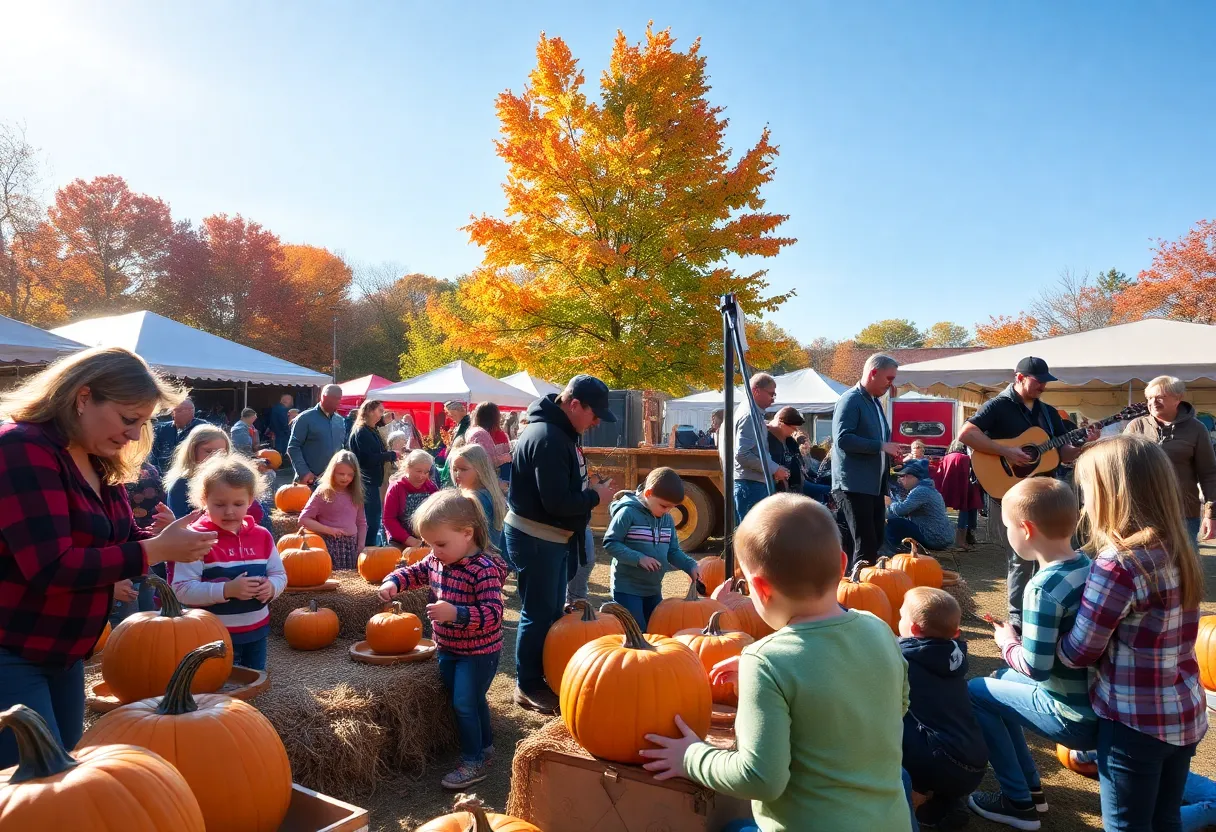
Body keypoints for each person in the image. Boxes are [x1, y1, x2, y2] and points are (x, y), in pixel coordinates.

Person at [0, 347, 217, 769]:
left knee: (65, 782)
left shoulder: (96, 456)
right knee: (32, 792)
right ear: (83, 398)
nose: (135, 435)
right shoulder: (21, 449)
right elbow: (51, 565)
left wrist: (157, 535)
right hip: (12, 649)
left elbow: (110, 539)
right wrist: (152, 550)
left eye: (142, 422)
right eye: (128, 418)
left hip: (62, 653)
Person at [640, 494, 911, 832]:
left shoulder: (766, 661)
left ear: (760, 589)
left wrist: (691, 756)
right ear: (842, 565)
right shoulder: (879, 629)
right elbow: (896, 704)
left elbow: (759, 778)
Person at [1058, 435, 1207, 832]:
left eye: (1087, 492)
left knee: (1126, 826)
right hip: (1183, 712)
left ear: (1111, 495)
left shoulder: (1119, 564)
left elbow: (1080, 652)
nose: (1085, 503)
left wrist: (1025, 642)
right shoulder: (1178, 546)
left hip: (1134, 724)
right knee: (1164, 818)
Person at [966, 476, 1095, 830]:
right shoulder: (1088, 566)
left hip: (1072, 713)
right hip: (1096, 699)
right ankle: (1031, 789)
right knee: (997, 682)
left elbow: (1035, 668)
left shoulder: (1042, 588)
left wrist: (1007, 642)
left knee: (975, 692)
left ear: (1025, 529)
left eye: (1007, 527)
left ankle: (1018, 801)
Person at [378, 490, 506, 790]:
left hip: (478, 652)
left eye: (440, 543)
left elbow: (493, 614)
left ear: (467, 533)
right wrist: (393, 581)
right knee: (470, 700)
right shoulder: (438, 560)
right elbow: (415, 571)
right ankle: (485, 748)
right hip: (448, 647)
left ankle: (473, 761)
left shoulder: (483, 570)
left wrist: (457, 613)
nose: (433, 551)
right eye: (429, 544)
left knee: (464, 703)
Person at [959, 357, 1096, 631]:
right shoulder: (998, 405)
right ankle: (1018, 619)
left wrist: (1084, 443)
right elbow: (966, 434)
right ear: (1019, 377)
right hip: (1012, 491)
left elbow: (1061, 453)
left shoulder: (1048, 412)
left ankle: (1045, 610)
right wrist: (1007, 452)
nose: (1043, 386)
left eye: (1046, 381)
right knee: (1020, 558)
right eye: (1038, 381)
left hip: (1044, 492)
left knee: (1050, 552)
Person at [507, 374, 616, 715]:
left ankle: (543, 676)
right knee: (538, 615)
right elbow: (555, 502)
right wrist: (594, 495)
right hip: (538, 538)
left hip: (549, 538)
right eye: (593, 413)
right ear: (573, 405)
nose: (597, 420)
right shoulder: (549, 437)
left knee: (550, 612)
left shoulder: (558, 433)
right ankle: (528, 685)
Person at [173, 454, 286, 671]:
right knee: (220, 694)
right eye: (220, 504)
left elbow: (279, 574)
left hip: (256, 632)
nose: (229, 511)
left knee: (253, 683)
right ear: (204, 500)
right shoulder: (196, 539)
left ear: (251, 500)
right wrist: (227, 590)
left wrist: (271, 588)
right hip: (211, 638)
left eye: (238, 503)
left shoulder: (262, 536)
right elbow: (182, 589)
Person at [899, 587, 988, 830]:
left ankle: (915, 795)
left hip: (940, 763)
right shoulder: (954, 657)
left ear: (914, 629)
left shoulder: (903, 660)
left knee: (897, 719)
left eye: (901, 617)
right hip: (975, 760)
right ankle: (945, 806)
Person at [603, 468, 703, 631]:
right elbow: (611, 543)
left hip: (653, 589)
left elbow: (673, 551)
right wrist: (639, 558)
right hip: (627, 588)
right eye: (664, 506)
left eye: (671, 508)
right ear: (648, 493)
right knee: (637, 631)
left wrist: (690, 565)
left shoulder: (667, 520)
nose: (667, 511)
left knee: (655, 630)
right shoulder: (627, 513)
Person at [1124, 375, 1216, 547]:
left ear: (1178, 398)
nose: (1153, 402)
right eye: (1150, 398)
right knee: (1144, 566)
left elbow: (1209, 473)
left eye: (1160, 397)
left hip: (1183, 514)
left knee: (1183, 567)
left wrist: (1211, 514)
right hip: (1142, 513)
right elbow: (1121, 467)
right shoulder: (1136, 426)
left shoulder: (1196, 429)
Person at [832, 353, 904, 569]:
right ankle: (857, 594)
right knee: (865, 544)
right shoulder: (850, 400)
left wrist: (890, 452)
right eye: (889, 379)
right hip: (853, 485)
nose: (891, 384)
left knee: (873, 540)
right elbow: (843, 439)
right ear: (873, 373)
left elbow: (878, 440)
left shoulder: (874, 403)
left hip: (872, 486)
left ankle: (853, 590)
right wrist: (881, 446)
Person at [724, 372, 788, 523]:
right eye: (771, 394)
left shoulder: (751, 413)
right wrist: (774, 469)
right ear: (756, 391)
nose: (773, 399)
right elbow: (742, 455)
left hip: (751, 483)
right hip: (750, 485)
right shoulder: (749, 416)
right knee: (751, 538)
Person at [298, 450, 367, 569]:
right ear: (332, 472)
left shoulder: (355, 493)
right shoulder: (323, 492)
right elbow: (304, 519)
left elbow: (361, 522)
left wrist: (361, 545)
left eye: (350, 474)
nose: (345, 478)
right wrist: (329, 530)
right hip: (330, 544)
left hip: (351, 546)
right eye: (341, 473)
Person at [348, 399, 399, 547]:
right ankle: (368, 551)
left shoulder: (370, 429)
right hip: (366, 481)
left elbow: (376, 436)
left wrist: (384, 420)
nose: (381, 415)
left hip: (372, 481)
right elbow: (368, 458)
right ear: (370, 411)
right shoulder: (362, 431)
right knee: (371, 521)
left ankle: (370, 549)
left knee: (373, 519)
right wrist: (391, 455)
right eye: (380, 411)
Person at [164, 424, 232, 519]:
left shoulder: (231, 481)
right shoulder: (182, 485)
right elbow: (181, 525)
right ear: (192, 451)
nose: (216, 457)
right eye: (208, 451)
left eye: (221, 453)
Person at [885, 459, 954, 552]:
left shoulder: (921, 491)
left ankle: (892, 551)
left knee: (894, 523)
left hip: (935, 537)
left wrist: (890, 503)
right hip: (940, 535)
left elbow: (901, 510)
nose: (899, 480)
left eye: (902, 476)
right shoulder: (926, 488)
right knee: (897, 522)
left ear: (912, 477)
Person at [449, 443, 507, 553]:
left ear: (480, 470)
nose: (458, 474)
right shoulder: (488, 491)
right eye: (455, 469)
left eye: (463, 469)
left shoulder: (474, 499)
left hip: (477, 558)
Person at [287, 384, 347, 485]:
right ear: (323, 397)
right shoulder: (305, 418)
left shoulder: (339, 420)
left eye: (339, 399)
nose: (337, 402)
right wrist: (304, 472)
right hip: (310, 481)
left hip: (333, 480)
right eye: (334, 399)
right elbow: (293, 447)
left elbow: (342, 447)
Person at [384, 449, 440, 548]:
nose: (422, 476)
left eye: (426, 472)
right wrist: (408, 539)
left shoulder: (431, 487)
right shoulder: (396, 488)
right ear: (407, 468)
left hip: (424, 538)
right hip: (399, 539)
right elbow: (389, 519)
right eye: (418, 471)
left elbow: (438, 515)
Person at [936, 441, 983, 551]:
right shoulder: (965, 458)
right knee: (966, 511)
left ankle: (961, 538)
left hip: (949, 487)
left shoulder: (947, 457)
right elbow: (972, 474)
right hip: (965, 488)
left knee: (955, 512)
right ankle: (962, 540)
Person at [149, 397, 207, 472]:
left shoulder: (202, 428)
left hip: (189, 472)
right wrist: (155, 471)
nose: (173, 412)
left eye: (191, 410)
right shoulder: (161, 429)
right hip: (162, 472)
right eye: (175, 410)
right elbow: (153, 453)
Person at [766, 406, 808, 495]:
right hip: (771, 490)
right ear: (781, 423)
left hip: (790, 490)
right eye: (793, 427)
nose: (795, 430)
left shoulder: (790, 441)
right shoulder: (765, 439)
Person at [465, 402, 512, 473]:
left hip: (479, 473)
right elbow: (490, 461)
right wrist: (510, 456)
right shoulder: (481, 434)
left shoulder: (472, 431)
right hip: (492, 476)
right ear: (495, 417)